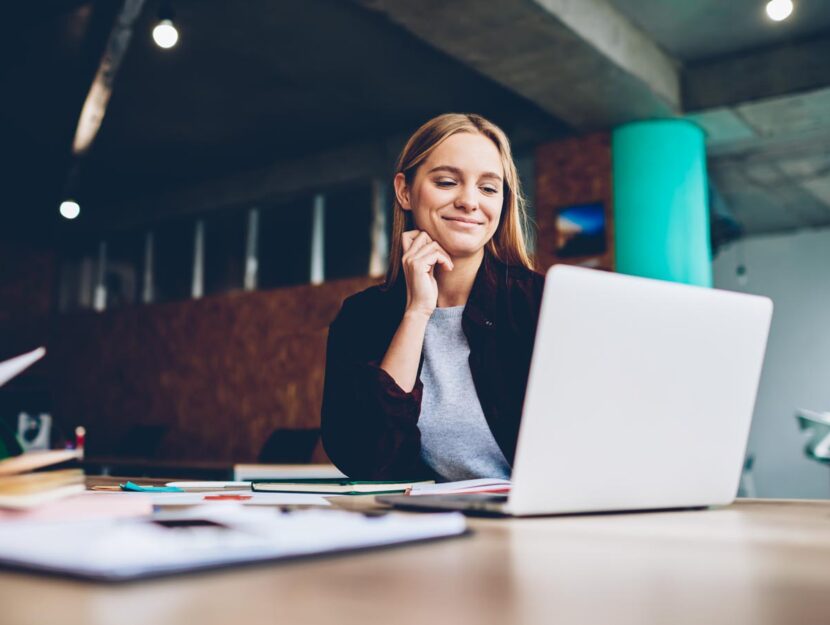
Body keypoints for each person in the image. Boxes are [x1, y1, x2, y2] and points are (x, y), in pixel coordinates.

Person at [321, 113, 544, 481]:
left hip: (542, 525)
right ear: (405, 191)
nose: (470, 201)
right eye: (446, 182)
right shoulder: (363, 317)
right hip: (429, 525)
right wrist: (417, 312)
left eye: (488, 188)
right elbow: (367, 459)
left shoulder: (540, 304)